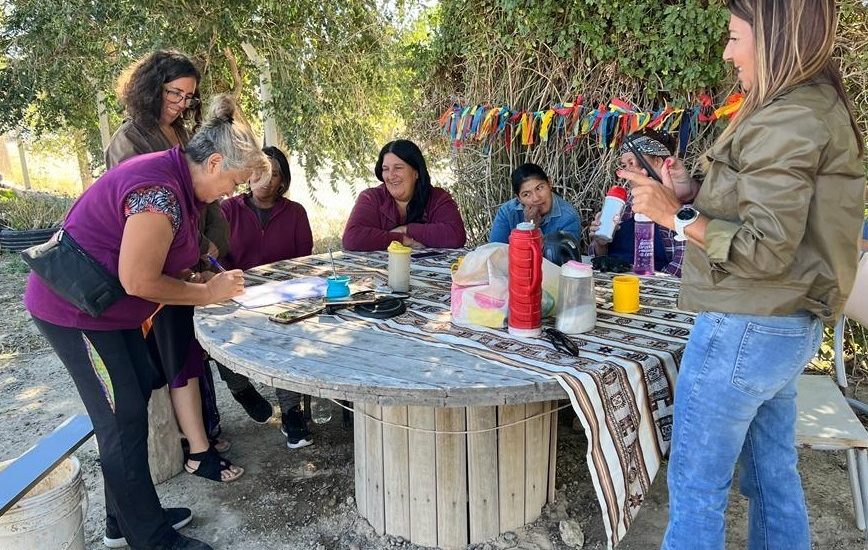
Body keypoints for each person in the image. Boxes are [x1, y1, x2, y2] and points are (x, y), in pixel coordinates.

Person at [618, 1, 865, 548]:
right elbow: (766, 215)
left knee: (696, 487)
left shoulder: (789, 116)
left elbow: (766, 248)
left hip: (746, 324)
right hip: (784, 327)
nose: (729, 54)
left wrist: (674, 215)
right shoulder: (807, 107)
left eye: (735, 37)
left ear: (774, 36)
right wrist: (688, 192)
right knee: (771, 476)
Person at [23, 95, 269, 550]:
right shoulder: (159, 191)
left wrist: (190, 276)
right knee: (120, 418)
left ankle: (126, 518)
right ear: (214, 162)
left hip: (106, 308)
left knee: (134, 396)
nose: (233, 192)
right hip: (74, 311)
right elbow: (137, 279)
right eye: (235, 181)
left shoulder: (179, 179)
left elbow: (155, 260)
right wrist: (204, 293)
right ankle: (150, 538)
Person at [105, 50, 230, 476]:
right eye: (175, 93)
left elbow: (203, 200)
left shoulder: (180, 134)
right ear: (149, 87)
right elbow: (153, 216)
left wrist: (211, 246)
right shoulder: (128, 141)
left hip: (190, 260)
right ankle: (197, 450)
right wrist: (195, 252)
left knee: (189, 354)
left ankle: (202, 434)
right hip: (155, 271)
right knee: (175, 357)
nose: (181, 103)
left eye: (189, 97)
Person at [217, 146, 316, 449]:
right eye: (256, 170)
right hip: (237, 295)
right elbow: (216, 255)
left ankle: (291, 413)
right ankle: (240, 388)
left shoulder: (296, 212)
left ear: (282, 180)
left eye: (270, 172)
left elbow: (304, 262)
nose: (261, 178)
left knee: (292, 339)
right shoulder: (228, 210)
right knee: (215, 335)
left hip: (284, 297)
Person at [589, 130, 693, 276]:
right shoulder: (623, 205)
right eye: (624, 166)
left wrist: (639, 280)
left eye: (632, 162)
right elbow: (597, 258)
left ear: (658, 162)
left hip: (655, 291)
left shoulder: (683, 212)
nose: (629, 171)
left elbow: (679, 271)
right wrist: (600, 243)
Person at [342, 139, 466, 251]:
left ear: (416, 172)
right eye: (385, 169)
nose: (391, 176)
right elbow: (352, 238)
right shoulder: (371, 198)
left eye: (398, 168)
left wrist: (406, 229)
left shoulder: (437, 198)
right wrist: (401, 239)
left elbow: (456, 236)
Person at [488, 163, 581, 244]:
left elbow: (563, 259)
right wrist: (527, 226)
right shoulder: (507, 212)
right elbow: (496, 251)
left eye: (539, 188)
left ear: (549, 183)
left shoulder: (568, 217)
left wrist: (532, 230)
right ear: (519, 199)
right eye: (526, 194)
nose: (536, 198)